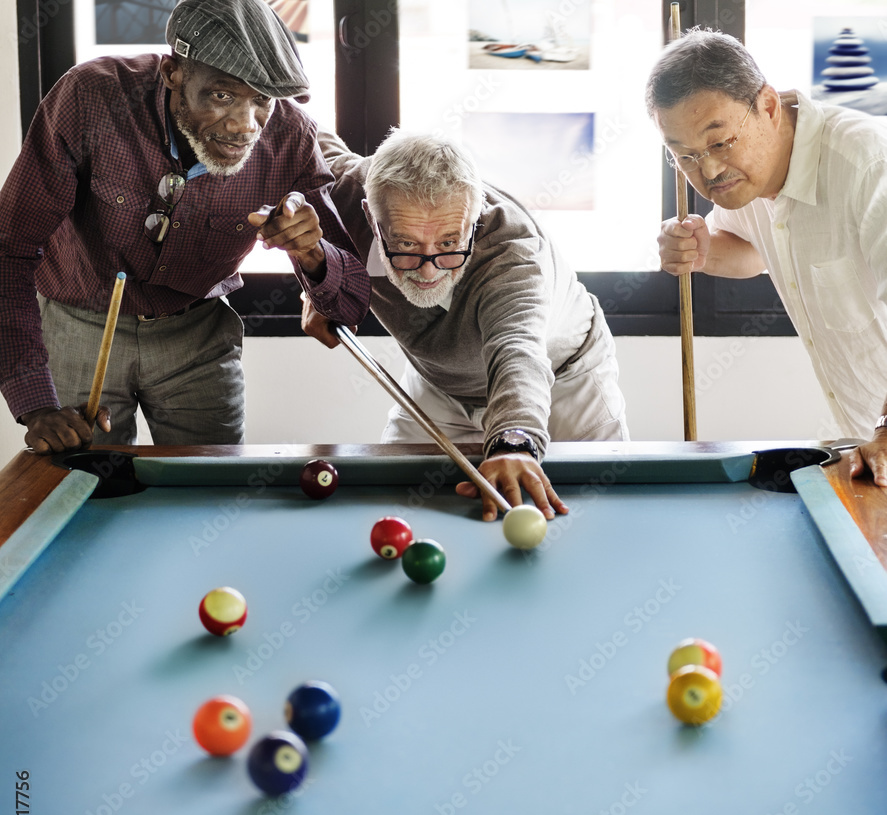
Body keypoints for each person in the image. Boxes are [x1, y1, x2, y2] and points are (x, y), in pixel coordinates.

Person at [0, 0, 370, 453]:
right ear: (173, 73)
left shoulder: (291, 135)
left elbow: (351, 305)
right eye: (222, 95)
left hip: (197, 336)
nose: (244, 125)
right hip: (79, 327)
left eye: (261, 100)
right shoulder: (88, 97)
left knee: (212, 494)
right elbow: (10, 250)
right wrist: (36, 403)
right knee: (83, 484)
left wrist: (313, 256)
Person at [300, 129, 628, 521]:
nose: (426, 269)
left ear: (476, 220)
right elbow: (293, 130)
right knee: (398, 507)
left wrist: (514, 442)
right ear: (371, 215)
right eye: (405, 245)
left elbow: (518, 352)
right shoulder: (344, 195)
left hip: (563, 380)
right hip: (439, 380)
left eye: (448, 244)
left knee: (599, 515)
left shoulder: (513, 255)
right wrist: (319, 281)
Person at [648, 27, 887, 486]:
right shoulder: (748, 181)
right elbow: (753, 252)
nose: (709, 170)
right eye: (685, 155)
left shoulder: (868, 164)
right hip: (866, 447)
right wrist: (703, 252)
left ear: (769, 107)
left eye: (720, 143)